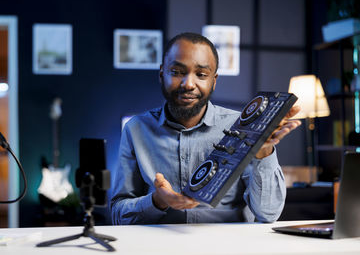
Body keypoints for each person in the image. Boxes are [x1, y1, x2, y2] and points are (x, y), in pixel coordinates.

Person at [111, 32, 301, 224]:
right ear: (162, 74)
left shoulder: (242, 128)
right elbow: (118, 214)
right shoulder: (136, 129)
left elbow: (268, 214)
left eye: (201, 75)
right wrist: (157, 201)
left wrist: (263, 152)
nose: (189, 84)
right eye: (177, 72)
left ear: (214, 81)